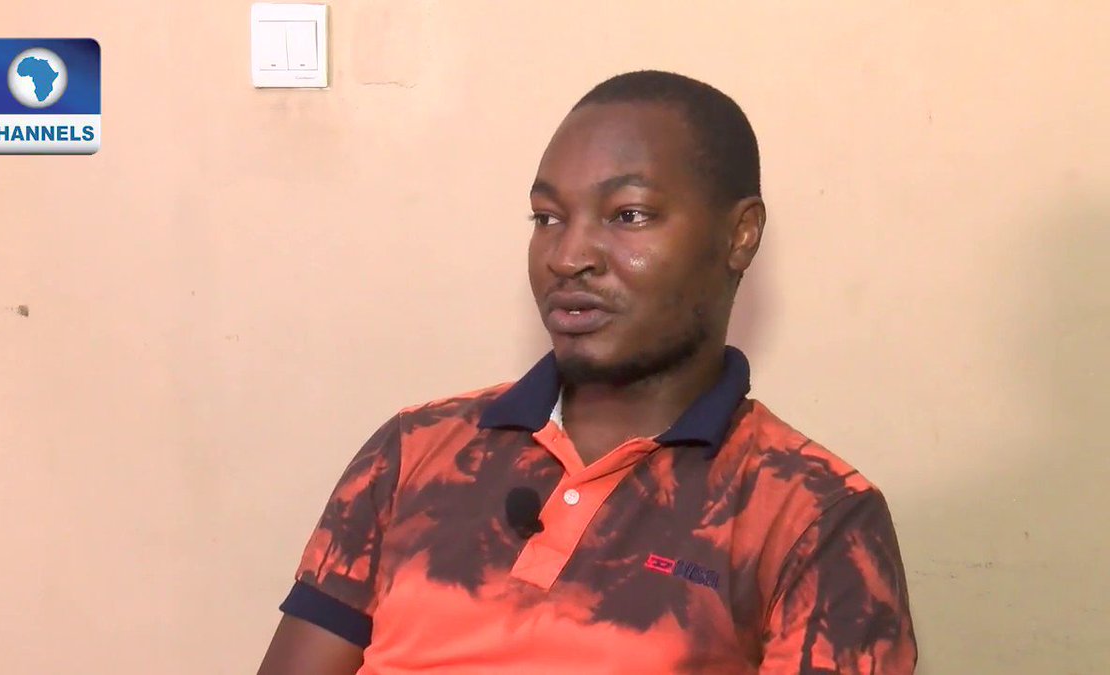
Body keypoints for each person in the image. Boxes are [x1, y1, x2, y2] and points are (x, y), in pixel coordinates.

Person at [257, 70, 917, 674]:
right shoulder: (413, 451)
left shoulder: (813, 515)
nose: (568, 255)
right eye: (547, 217)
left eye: (629, 215)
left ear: (739, 235)